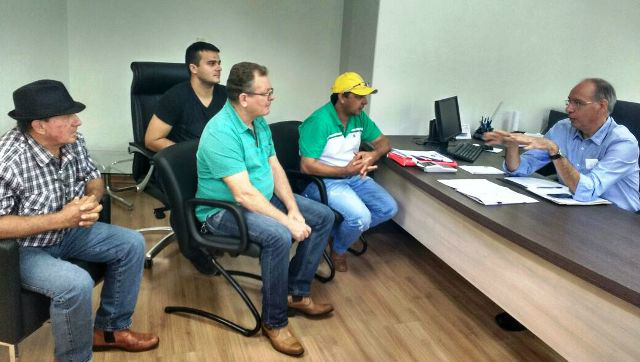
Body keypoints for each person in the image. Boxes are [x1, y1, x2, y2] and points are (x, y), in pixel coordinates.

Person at [0, 80, 159, 362]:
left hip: (70, 231)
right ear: (40, 125)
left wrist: (90, 201)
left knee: (132, 243)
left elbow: (93, 178)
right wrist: (61, 218)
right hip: (24, 250)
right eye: (68, 117)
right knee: (75, 283)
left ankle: (111, 330)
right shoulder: (7, 160)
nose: (78, 121)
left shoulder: (71, 141)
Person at [196, 62, 335, 356]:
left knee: (323, 216)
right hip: (222, 211)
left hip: (258, 199)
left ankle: (296, 293)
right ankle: (274, 322)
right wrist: (286, 222)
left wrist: (293, 209)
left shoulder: (258, 122)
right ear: (244, 98)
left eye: (271, 92)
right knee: (279, 236)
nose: (271, 98)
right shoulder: (220, 132)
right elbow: (244, 194)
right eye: (266, 93)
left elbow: (274, 167)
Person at [484, 78, 640, 212]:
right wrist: (512, 144)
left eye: (577, 103)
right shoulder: (563, 128)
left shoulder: (623, 143)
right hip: (574, 207)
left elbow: (588, 190)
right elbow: (519, 170)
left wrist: (554, 150)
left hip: (617, 219)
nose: (568, 109)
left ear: (602, 106)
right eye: (569, 102)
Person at [298, 72, 398, 271]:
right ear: (342, 97)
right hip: (323, 182)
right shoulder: (319, 121)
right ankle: (339, 249)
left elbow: (384, 143)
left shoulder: (359, 118)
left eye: (365, 97)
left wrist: (372, 155)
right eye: (359, 97)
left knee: (388, 208)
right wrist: (344, 170)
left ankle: (335, 236)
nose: (365, 102)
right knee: (361, 218)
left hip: (353, 177)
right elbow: (306, 166)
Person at [144, 41, 227, 274]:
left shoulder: (225, 96)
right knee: (186, 198)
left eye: (219, 62)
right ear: (193, 68)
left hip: (215, 166)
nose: (219, 67)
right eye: (211, 63)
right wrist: (190, 155)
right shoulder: (176, 97)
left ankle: (216, 233)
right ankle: (192, 249)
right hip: (182, 169)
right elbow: (152, 140)